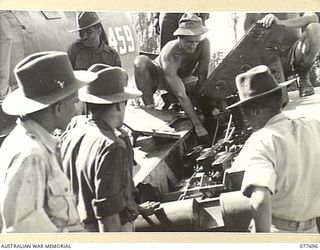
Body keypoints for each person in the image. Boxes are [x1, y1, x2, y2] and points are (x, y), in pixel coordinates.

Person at [0, 51, 97, 233]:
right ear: (58, 108)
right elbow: (23, 234)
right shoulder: (32, 155)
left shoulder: (28, 141)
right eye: (74, 102)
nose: (77, 110)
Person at [60, 64, 159, 232]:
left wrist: (137, 208)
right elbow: (109, 214)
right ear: (119, 105)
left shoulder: (71, 134)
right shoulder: (112, 146)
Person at [227, 65, 320, 233]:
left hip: (281, 232)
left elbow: (260, 200)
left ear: (254, 111)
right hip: (312, 231)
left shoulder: (261, 140)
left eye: (244, 113)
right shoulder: (312, 126)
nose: (246, 120)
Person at [134, 13, 211, 144]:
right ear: (179, 37)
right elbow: (180, 94)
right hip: (161, 78)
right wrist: (198, 126)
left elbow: (203, 77)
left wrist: (205, 107)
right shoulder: (170, 54)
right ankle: (151, 110)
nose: (193, 45)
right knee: (140, 62)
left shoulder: (204, 44)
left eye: (196, 41)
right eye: (189, 42)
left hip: (184, 78)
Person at [244, 12, 320, 97]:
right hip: (268, 61)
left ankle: (303, 76)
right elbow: (246, 41)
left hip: (293, 53)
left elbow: (313, 17)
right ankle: (272, 83)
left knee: (315, 28)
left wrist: (279, 22)